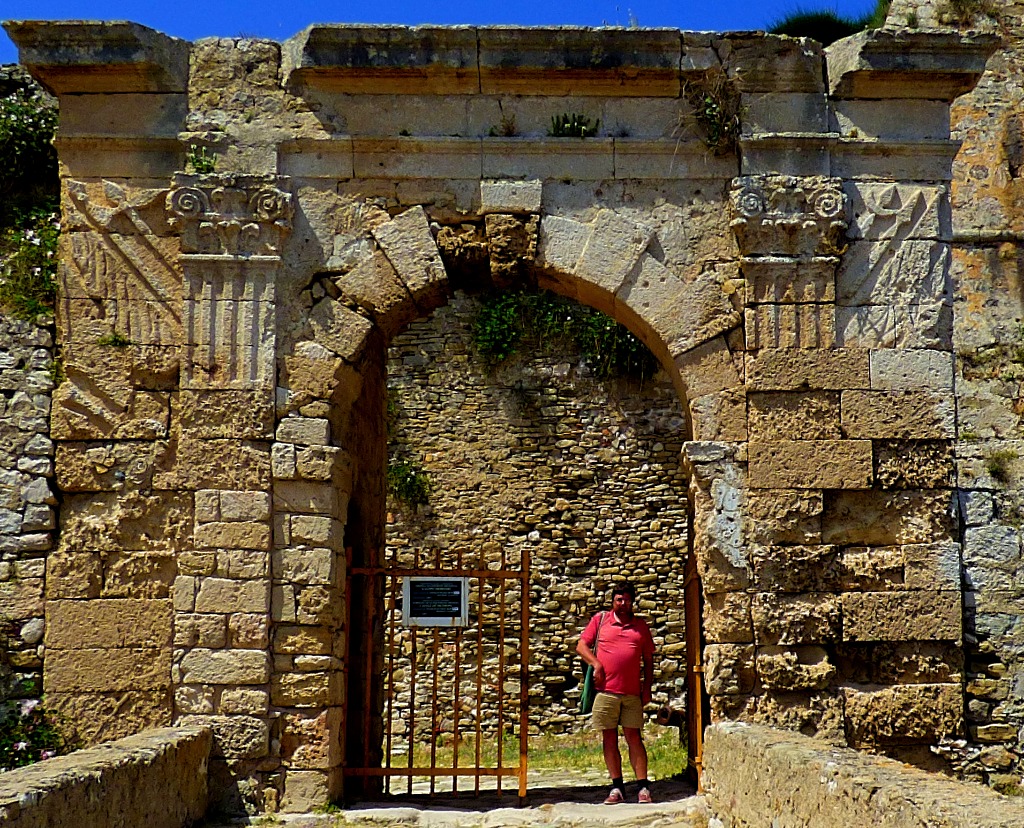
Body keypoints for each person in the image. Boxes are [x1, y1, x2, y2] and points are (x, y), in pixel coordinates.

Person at [576, 581, 656, 804]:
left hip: (632, 694)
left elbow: (649, 660)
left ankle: (642, 786)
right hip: (605, 692)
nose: (623, 603)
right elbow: (581, 646)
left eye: (627, 600)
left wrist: (647, 688)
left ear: (632, 603)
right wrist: (596, 664)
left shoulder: (640, 627)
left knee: (634, 738)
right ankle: (617, 787)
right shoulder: (600, 620)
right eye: (619, 599)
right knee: (609, 738)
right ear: (613, 601)